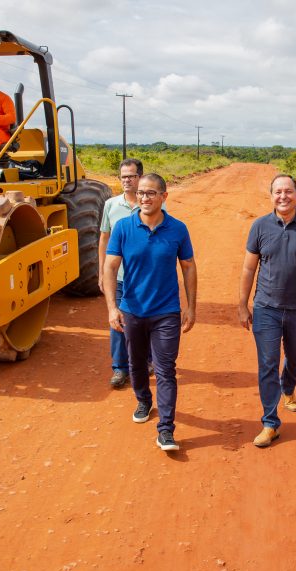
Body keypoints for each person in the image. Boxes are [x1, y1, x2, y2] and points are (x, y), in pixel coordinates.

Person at [104, 173, 197, 452]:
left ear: (164, 197)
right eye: (141, 193)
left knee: (166, 369)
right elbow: (110, 267)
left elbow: (189, 267)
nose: (144, 198)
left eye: (151, 193)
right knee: (135, 363)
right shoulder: (123, 227)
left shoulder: (178, 229)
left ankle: (166, 430)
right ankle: (143, 399)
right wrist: (112, 307)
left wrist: (192, 306)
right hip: (133, 309)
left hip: (166, 311)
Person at [238, 174, 296, 448]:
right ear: (271, 196)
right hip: (266, 307)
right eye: (278, 192)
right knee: (267, 364)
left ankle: (288, 387)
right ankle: (270, 423)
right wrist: (242, 305)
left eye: (288, 191)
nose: (283, 197)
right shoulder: (259, 226)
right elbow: (247, 268)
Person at [98, 158, 143, 389]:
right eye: (123, 176)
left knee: (145, 320)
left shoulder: (151, 204)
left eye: (131, 176)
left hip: (144, 278)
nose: (127, 180)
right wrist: (100, 271)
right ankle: (119, 368)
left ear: (140, 178)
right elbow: (104, 238)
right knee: (116, 320)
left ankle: (147, 360)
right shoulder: (111, 205)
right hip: (118, 276)